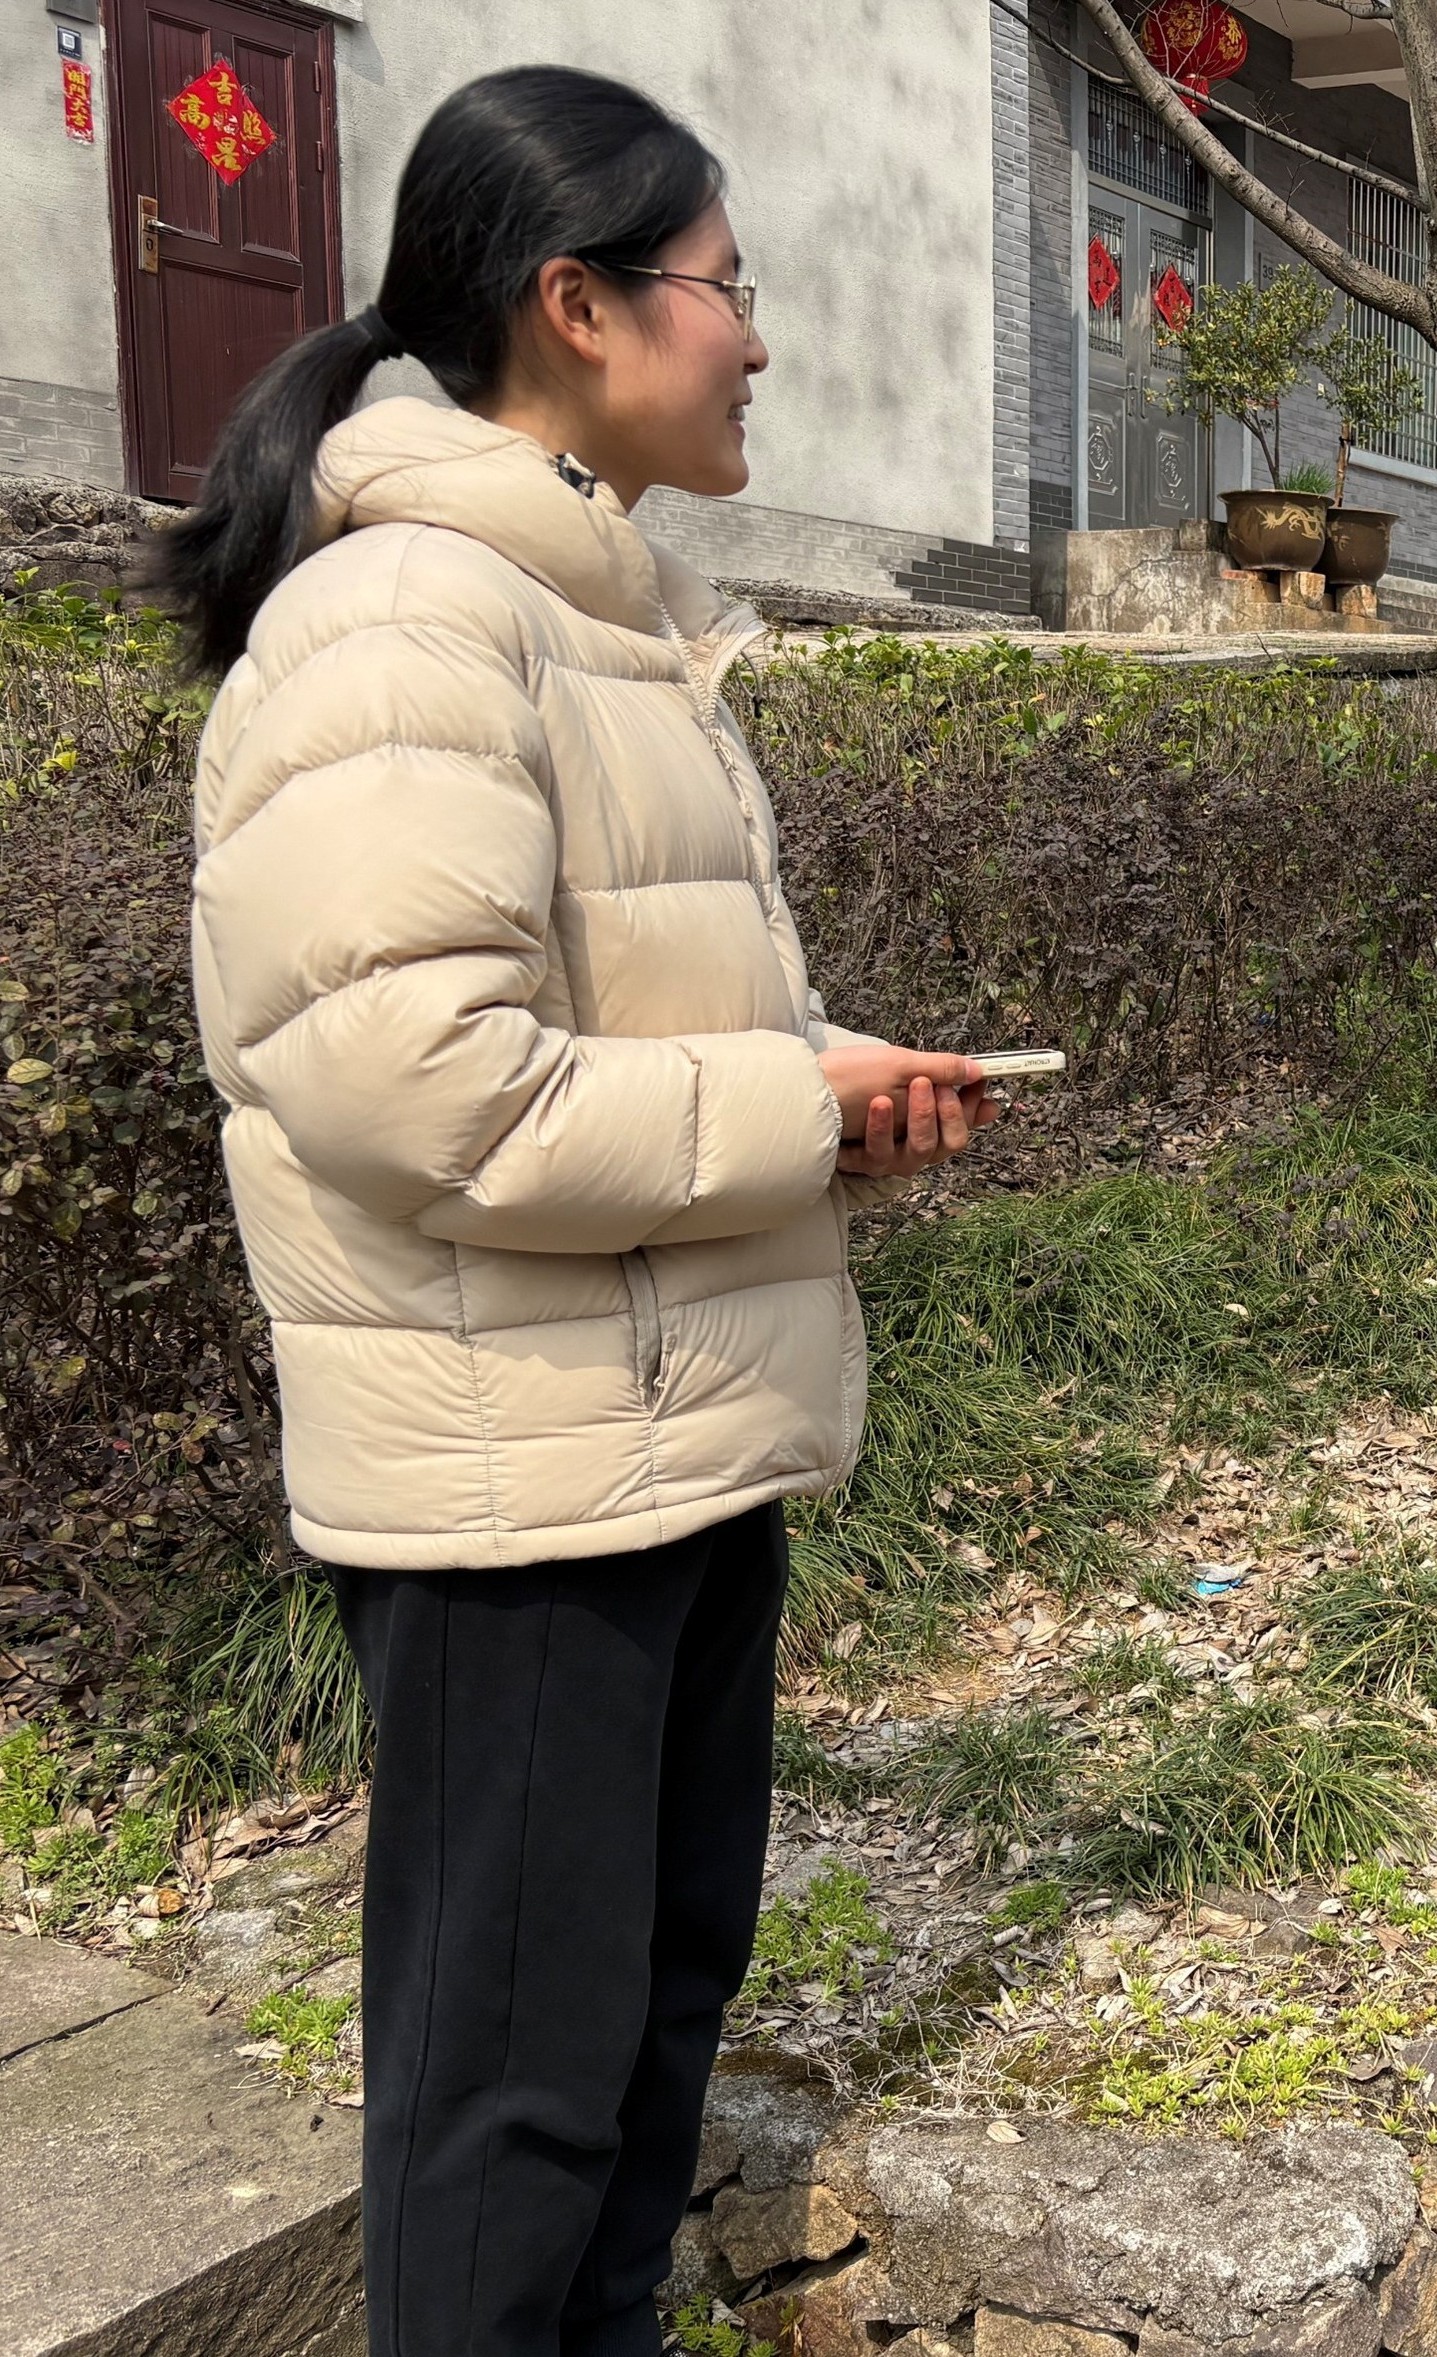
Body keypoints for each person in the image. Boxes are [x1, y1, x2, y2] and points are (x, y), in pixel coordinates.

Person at [155, 69, 996, 2354]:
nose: (758, 339)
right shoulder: (405, 624)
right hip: (515, 1488)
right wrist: (787, 1101)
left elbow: (614, 1027)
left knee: (639, 2032)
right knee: (511, 2101)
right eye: (725, 284)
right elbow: (420, 1087)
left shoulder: (592, 615)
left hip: (660, 1441)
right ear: (576, 303)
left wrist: (827, 1097)